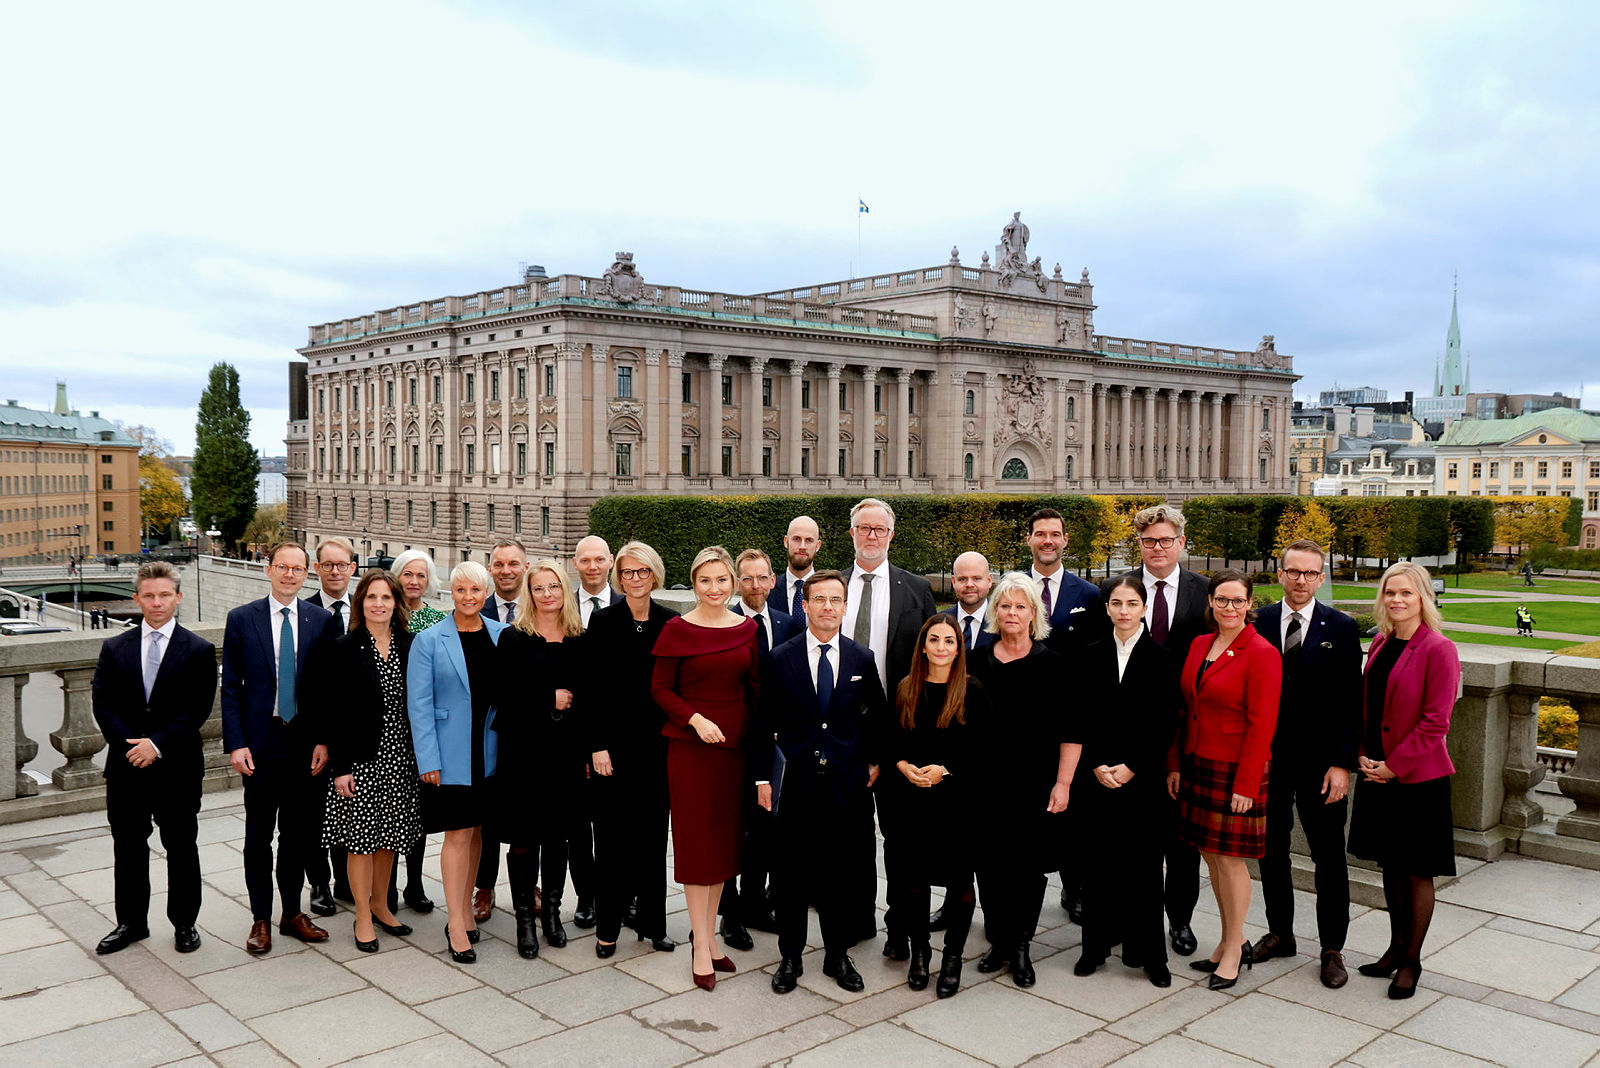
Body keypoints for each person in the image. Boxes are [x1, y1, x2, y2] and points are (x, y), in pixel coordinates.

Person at [762, 570, 887, 994]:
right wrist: (765, 776)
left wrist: (874, 762)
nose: (828, 607)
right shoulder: (781, 658)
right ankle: (790, 957)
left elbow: (879, 716)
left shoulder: (860, 658)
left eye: (836, 600)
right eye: (820, 600)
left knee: (840, 875)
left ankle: (837, 954)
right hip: (796, 785)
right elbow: (765, 722)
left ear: (845, 606)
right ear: (806, 605)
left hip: (845, 786)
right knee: (792, 875)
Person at [90, 562, 217, 956]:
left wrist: (156, 745)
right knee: (128, 847)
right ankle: (131, 923)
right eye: (149, 595)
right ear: (137, 599)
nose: (157, 602)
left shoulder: (198, 650)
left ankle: (184, 923)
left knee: (181, 847)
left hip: (176, 766)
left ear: (178, 598)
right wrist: (133, 747)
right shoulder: (115, 648)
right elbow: (103, 703)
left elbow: (196, 711)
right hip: (127, 767)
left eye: (164, 595)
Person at [1252, 541, 1363, 988]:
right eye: (1293, 572)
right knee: (1271, 852)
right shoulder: (1255, 622)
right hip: (1269, 761)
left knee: (1328, 857)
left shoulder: (1341, 626)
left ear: (1321, 578)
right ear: (1279, 574)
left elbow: (1350, 704)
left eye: (1310, 573)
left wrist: (1341, 764)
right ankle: (1281, 933)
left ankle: (1332, 947)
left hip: (1321, 765)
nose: (1300, 580)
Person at [1349, 562, 1460, 1001]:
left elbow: (1437, 722)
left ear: (1423, 599)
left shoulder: (1439, 648)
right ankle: (1394, 950)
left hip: (1417, 778)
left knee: (1416, 871)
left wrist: (1394, 766)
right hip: (1376, 772)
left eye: (1407, 594)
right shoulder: (1380, 642)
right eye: (1391, 593)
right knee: (1390, 866)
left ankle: (1412, 961)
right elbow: (1367, 706)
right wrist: (1363, 753)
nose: (1397, 600)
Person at [652, 546, 761, 992]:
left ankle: (711, 936)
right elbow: (660, 689)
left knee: (723, 849)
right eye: (705, 581)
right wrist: (695, 720)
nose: (714, 589)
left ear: (733, 583)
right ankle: (699, 945)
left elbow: (754, 691)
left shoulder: (747, 628)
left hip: (733, 752)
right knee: (698, 850)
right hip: (691, 750)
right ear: (693, 583)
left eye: (722, 580)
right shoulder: (677, 629)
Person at [1167, 570, 1281, 992]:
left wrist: (1246, 785)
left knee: (1230, 861)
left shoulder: (1262, 652)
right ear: (1210, 602)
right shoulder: (1200, 644)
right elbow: (1186, 709)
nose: (1229, 608)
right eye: (1221, 600)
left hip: (1237, 769)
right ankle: (1229, 940)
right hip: (1198, 761)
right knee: (1210, 857)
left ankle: (1234, 947)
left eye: (1237, 601)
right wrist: (1176, 762)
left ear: (1249, 605)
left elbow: (1262, 723)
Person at [221, 542, 335, 955]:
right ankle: (259, 919)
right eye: (282, 567)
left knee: (298, 835)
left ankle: (291, 914)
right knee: (258, 835)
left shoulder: (321, 621)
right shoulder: (241, 619)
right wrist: (236, 744)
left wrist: (324, 739)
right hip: (261, 743)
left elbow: (328, 691)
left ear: (308, 573)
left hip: (305, 745)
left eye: (297, 568)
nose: (289, 574)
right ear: (267, 570)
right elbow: (230, 687)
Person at [1071, 575, 1181, 988]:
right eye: (1116, 603)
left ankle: (1150, 955)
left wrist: (1132, 765)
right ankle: (1094, 948)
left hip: (1142, 779)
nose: (1123, 610)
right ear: (1107, 608)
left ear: (1142, 609)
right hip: (1097, 777)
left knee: (1145, 869)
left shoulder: (1162, 657)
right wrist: (1098, 764)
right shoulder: (1089, 654)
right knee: (1097, 866)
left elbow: (1165, 722)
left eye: (1131, 603)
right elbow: (1082, 715)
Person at [968, 572, 1077, 988]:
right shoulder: (975, 660)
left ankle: (1021, 945)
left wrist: (1063, 783)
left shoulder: (1054, 665)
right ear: (995, 611)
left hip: (1035, 784)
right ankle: (997, 939)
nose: (1012, 613)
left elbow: (1072, 731)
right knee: (990, 865)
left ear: (1034, 614)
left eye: (1021, 606)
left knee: (1028, 868)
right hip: (984, 784)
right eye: (1005, 605)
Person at [839, 497, 936, 955]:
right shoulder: (831, 586)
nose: (872, 535)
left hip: (899, 726)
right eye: (864, 528)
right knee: (851, 836)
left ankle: (900, 929)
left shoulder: (915, 589)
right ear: (851, 532)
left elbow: (930, 658)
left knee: (901, 837)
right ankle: (857, 919)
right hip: (841, 728)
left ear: (891, 535)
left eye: (880, 529)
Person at [313, 570, 422, 953]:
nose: (379, 604)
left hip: (401, 756)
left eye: (386, 598)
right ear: (361, 603)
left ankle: (381, 905)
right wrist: (340, 767)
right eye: (371, 597)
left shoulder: (412, 645)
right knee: (360, 842)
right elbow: (334, 711)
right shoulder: (345, 647)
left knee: (388, 837)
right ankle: (362, 914)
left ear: (397, 603)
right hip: (360, 758)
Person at [881, 615, 989, 998]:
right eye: (934, 640)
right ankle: (921, 953)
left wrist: (946, 769)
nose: (941, 647)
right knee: (913, 883)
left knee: (960, 884)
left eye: (949, 641)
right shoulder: (906, 688)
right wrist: (902, 766)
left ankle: (954, 958)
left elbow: (984, 751)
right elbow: (891, 740)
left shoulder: (972, 690)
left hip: (957, 805)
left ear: (959, 649)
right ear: (923, 646)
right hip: (913, 803)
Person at [408, 560, 509, 964]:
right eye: (461, 590)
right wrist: (427, 759)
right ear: (451, 592)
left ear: (486, 594)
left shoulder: (503, 636)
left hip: (491, 752)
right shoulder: (429, 640)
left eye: (476, 590)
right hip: (450, 754)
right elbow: (418, 705)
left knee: (479, 833)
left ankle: (467, 911)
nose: (469, 597)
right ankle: (455, 923)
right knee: (457, 835)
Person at [1121, 503, 1210, 957]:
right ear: (1139, 544)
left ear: (1181, 543)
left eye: (1165, 540)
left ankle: (1180, 919)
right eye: (1148, 541)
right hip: (1129, 733)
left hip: (1184, 731)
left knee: (1180, 838)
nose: (1157, 548)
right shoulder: (1118, 589)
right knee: (1131, 836)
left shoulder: (1205, 592)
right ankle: (1133, 917)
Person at [587, 541, 678, 958]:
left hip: (659, 748)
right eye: (627, 573)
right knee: (610, 841)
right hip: (614, 749)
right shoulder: (603, 621)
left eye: (642, 572)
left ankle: (654, 925)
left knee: (653, 838)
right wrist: (597, 745)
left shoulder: (670, 622)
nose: (635, 579)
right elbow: (595, 690)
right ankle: (607, 928)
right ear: (618, 578)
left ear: (655, 576)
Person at [497, 558, 587, 955]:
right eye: (539, 588)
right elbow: (502, 698)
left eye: (553, 586)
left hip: (565, 754)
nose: (547, 594)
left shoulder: (579, 638)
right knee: (524, 838)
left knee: (559, 838)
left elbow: (589, 698)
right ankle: (523, 920)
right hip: (524, 753)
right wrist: (548, 698)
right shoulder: (514, 638)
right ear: (529, 594)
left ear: (564, 590)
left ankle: (551, 912)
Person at [723, 547, 798, 947]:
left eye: (762, 577)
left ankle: (754, 903)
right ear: (738, 581)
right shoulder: (725, 622)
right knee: (733, 829)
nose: (755, 585)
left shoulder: (787, 625)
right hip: (734, 741)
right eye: (747, 578)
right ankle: (729, 913)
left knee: (765, 829)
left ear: (773, 580)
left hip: (775, 746)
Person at [473, 538, 533, 925]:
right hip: (487, 729)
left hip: (533, 730)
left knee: (529, 813)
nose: (506, 570)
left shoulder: (542, 606)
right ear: (490, 569)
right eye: (499, 564)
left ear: (525, 567)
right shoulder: (476, 610)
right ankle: (484, 887)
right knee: (488, 813)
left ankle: (530, 888)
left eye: (514, 563)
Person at [303, 536, 358, 917]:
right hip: (315, 730)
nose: (335, 571)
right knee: (313, 809)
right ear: (317, 569)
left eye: (342, 564)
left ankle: (346, 880)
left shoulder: (369, 608)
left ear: (354, 568)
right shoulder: (303, 613)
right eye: (328, 565)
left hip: (355, 729)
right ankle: (318, 883)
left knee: (349, 806)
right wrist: (318, 734)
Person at [1024, 507, 1105, 653]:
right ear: (1029, 539)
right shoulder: (1012, 591)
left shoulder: (1090, 594)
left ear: (1065, 540)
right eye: (1040, 534)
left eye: (1055, 535)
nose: (1048, 541)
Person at [941, 551, 995, 653]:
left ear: (989, 580)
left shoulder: (1003, 624)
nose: (969, 584)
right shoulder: (937, 622)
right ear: (953, 582)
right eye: (962, 579)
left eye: (977, 578)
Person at [773, 515, 822, 623]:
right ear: (786, 541)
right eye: (796, 539)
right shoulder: (768, 591)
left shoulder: (828, 591)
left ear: (817, 546)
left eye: (809, 540)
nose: (802, 546)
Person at [393, 549, 448, 634]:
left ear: (429, 580)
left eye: (421, 576)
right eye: (407, 574)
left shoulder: (440, 620)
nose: (414, 582)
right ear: (397, 576)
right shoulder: (384, 614)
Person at [574, 535, 622, 627]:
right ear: (575, 563)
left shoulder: (629, 606)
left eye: (599, 559)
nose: (592, 567)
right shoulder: (562, 606)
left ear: (611, 561)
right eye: (585, 560)